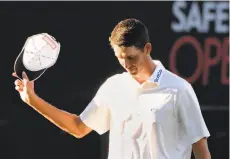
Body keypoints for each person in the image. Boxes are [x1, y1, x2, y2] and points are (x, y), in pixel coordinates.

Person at [13, 18, 211, 159]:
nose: (126, 64)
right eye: (120, 58)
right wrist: (32, 99)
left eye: (131, 57)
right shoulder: (114, 86)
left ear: (147, 49)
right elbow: (78, 128)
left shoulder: (179, 89)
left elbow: (201, 149)